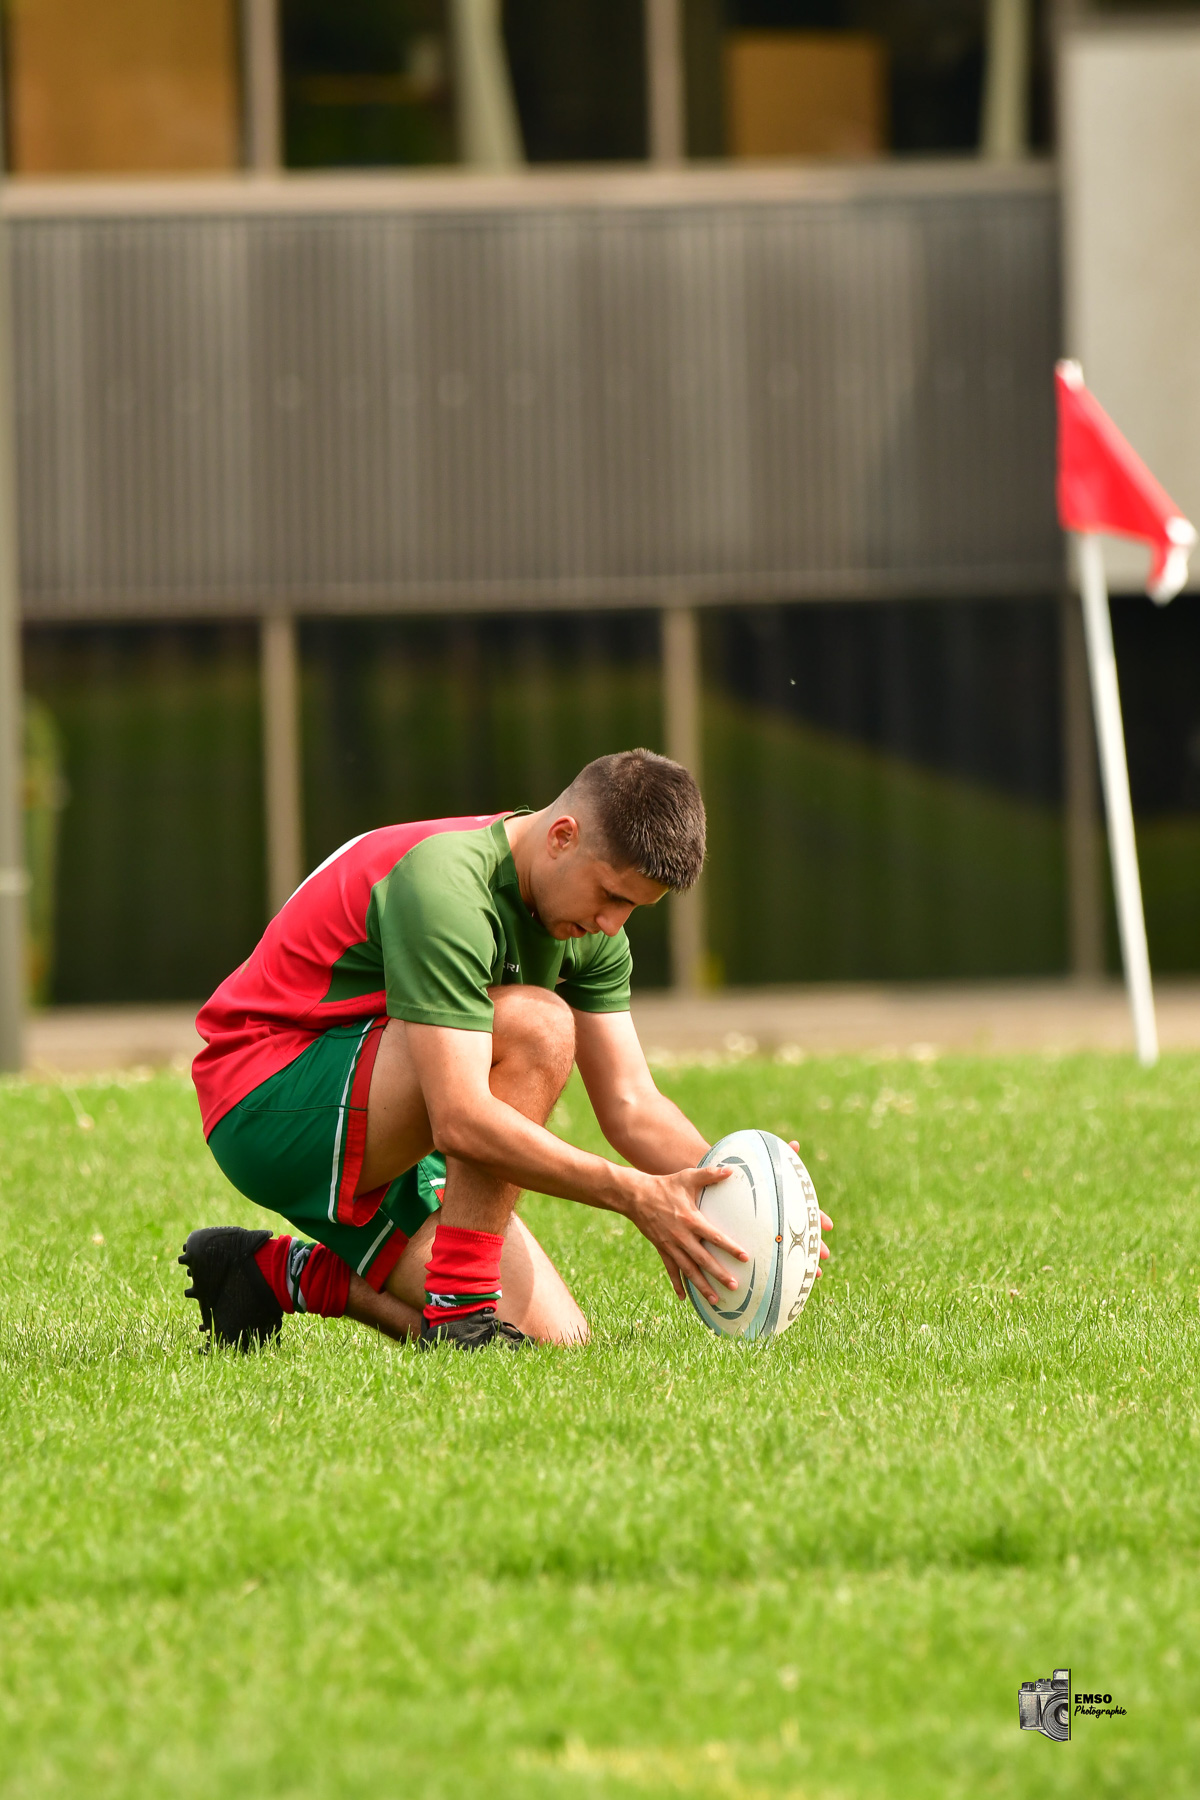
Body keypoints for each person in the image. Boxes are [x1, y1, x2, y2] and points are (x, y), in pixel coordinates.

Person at [181, 748, 830, 1351]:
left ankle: (268, 1274)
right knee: (539, 1027)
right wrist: (633, 1194)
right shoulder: (446, 886)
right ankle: (462, 1306)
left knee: (556, 1343)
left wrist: (740, 1200)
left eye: (633, 909)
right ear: (562, 837)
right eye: (610, 896)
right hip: (266, 1094)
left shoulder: (591, 926)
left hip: (386, 1101)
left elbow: (632, 1104)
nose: (612, 924)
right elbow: (461, 1118)